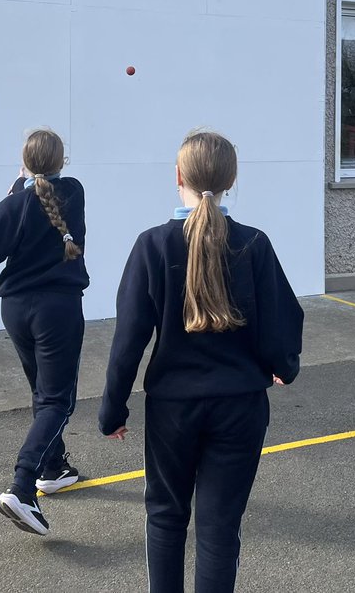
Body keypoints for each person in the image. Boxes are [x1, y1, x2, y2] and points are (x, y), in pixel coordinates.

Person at [99, 131, 304, 593]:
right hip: (240, 405)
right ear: (232, 179)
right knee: (219, 528)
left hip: (173, 407)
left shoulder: (153, 244)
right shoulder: (253, 243)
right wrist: (283, 365)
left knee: (166, 518)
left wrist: (113, 408)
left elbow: (129, 337)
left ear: (178, 177)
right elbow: (281, 318)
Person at [0, 128, 88, 536]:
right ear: (62, 162)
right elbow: (44, 195)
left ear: (23, 163)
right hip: (57, 310)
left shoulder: (14, 206)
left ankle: (52, 467)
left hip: (16, 310)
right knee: (57, 400)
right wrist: (21, 188)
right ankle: (22, 487)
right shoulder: (74, 192)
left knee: (43, 393)